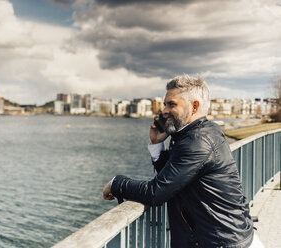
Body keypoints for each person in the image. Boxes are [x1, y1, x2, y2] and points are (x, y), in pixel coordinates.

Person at [103, 75, 262, 248]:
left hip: (223, 243)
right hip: (228, 237)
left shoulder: (197, 141)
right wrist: (157, 144)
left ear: (194, 106)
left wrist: (116, 183)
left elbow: (156, 192)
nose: (164, 110)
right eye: (165, 104)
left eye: (172, 104)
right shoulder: (201, 132)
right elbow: (174, 178)